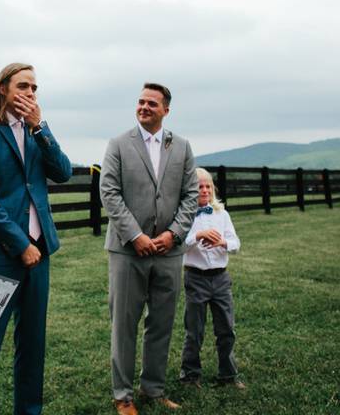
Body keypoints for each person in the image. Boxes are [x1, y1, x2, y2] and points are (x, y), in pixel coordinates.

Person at [0, 62, 72, 415]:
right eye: (23, 86)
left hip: (40, 253)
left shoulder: (37, 132)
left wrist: (41, 128)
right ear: (3, 90)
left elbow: (64, 172)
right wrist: (19, 243)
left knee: (32, 343)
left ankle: (29, 410)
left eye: (34, 88)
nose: (30, 93)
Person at [100, 82, 199, 415]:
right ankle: (123, 395)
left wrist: (173, 234)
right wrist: (135, 236)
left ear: (166, 110)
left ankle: (154, 389)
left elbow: (189, 196)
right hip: (128, 252)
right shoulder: (118, 144)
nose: (144, 107)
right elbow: (109, 193)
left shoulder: (181, 147)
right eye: (140, 102)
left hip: (169, 252)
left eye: (151, 104)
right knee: (124, 324)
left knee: (162, 322)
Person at [179, 167, 245, 389]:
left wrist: (222, 243)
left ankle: (228, 375)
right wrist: (198, 235)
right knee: (194, 329)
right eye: (199, 187)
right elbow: (179, 244)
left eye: (208, 186)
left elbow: (235, 244)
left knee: (226, 328)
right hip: (195, 278)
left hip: (221, 279)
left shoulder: (222, 215)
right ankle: (190, 375)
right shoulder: (184, 216)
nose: (204, 190)